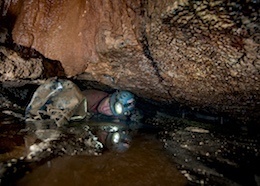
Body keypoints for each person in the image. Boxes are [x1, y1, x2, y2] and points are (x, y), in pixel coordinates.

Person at [25, 78, 136, 126]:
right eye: (109, 103)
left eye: (112, 111)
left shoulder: (105, 110)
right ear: (110, 95)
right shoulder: (93, 97)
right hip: (55, 95)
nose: (106, 109)